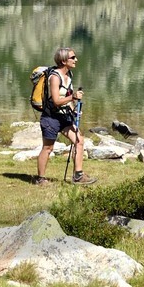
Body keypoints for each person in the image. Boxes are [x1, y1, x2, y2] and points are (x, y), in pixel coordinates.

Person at [35, 46, 94, 185]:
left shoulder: (69, 76)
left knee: (79, 140)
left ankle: (78, 176)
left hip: (64, 116)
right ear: (63, 61)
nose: (76, 60)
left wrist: (74, 110)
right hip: (50, 117)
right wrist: (73, 97)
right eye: (72, 58)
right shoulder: (55, 77)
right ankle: (41, 179)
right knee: (48, 148)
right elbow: (56, 101)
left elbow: (66, 97)